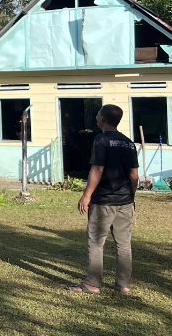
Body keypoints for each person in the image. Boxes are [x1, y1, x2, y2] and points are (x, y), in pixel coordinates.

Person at [67, 104, 138, 294]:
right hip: (125, 201)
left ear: (103, 119)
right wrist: (131, 196)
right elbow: (134, 175)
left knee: (96, 242)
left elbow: (97, 169)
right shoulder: (128, 142)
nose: (96, 116)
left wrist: (86, 195)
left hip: (103, 201)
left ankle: (92, 284)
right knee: (124, 244)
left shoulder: (101, 140)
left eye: (98, 113)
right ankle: (122, 285)